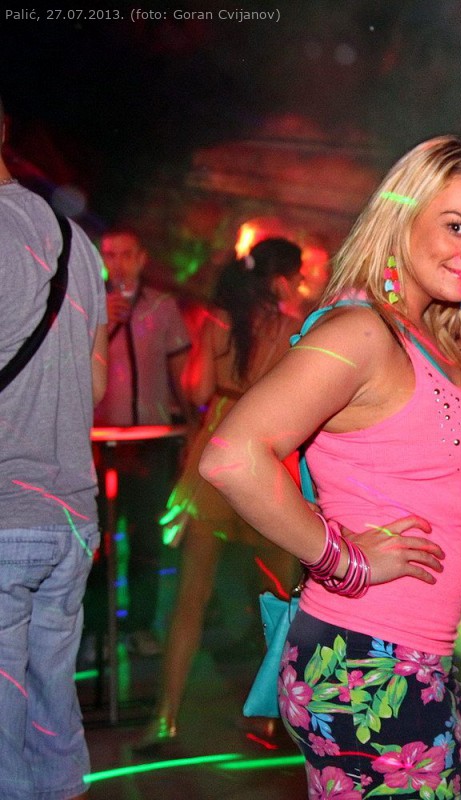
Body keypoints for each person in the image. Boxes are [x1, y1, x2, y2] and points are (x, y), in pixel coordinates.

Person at [199, 135, 461, 798]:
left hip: (415, 659)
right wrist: (345, 560)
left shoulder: (428, 336)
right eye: (457, 227)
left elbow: (455, 479)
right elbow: (231, 457)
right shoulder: (362, 332)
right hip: (365, 659)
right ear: (402, 218)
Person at [138, 237, 308, 749]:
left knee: (190, 598)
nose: (301, 286)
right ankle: (274, 717)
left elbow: (196, 391)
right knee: (281, 599)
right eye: (297, 277)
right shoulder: (295, 327)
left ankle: (165, 715)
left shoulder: (218, 322)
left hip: (218, 452)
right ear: (281, 280)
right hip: (270, 458)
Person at [0, 93, 107, 800]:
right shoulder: (75, 241)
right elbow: (94, 383)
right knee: (50, 715)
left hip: (4, 511)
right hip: (69, 518)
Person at [93, 225, 192, 657]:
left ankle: (140, 625)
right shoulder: (87, 305)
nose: (117, 263)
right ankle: (95, 630)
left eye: (125, 254)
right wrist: (101, 321)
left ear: (141, 258)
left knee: (146, 536)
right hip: (97, 441)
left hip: (150, 440)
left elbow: (180, 372)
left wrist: (192, 425)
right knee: (95, 539)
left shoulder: (161, 306)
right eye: (109, 255)